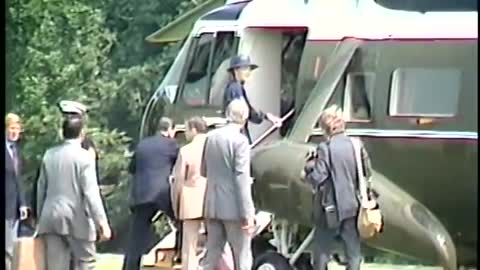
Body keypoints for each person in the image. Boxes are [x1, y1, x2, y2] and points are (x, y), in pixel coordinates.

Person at [301, 105, 372, 270]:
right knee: (353, 252)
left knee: (322, 253)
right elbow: (366, 172)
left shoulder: (325, 148)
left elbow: (319, 177)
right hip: (352, 205)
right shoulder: (356, 145)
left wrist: (306, 174)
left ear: (325, 128)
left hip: (329, 209)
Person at [36, 116, 112, 270]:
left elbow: (41, 188)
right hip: (77, 219)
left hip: (51, 217)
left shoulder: (49, 155)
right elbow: (91, 193)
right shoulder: (85, 157)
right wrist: (102, 223)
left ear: (62, 133)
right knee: (86, 262)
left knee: (55, 266)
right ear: (82, 133)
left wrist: (40, 216)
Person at [201, 99, 256, 270]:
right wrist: (248, 213)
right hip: (233, 207)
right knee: (242, 257)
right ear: (245, 118)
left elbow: (204, 171)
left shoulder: (210, 137)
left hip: (212, 203)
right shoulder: (240, 141)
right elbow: (241, 178)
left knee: (211, 255)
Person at [123, 117, 179, 270]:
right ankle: (180, 255)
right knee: (182, 222)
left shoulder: (143, 145)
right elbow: (181, 166)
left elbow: (132, 168)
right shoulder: (171, 145)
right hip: (163, 193)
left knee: (136, 236)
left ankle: (130, 267)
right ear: (170, 130)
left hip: (141, 193)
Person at [171, 116, 208, 270]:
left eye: (186, 129)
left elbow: (178, 181)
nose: (185, 133)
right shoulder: (215, 148)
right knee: (217, 243)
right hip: (212, 199)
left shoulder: (186, 151)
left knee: (189, 246)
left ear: (193, 129)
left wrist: (175, 204)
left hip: (191, 201)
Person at [223, 54, 282, 143]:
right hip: (238, 135)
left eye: (249, 69)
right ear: (235, 71)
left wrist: (266, 116)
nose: (248, 72)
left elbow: (249, 112)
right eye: (244, 68)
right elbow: (243, 112)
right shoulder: (235, 88)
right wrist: (265, 116)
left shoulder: (236, 87)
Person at [5, 113, 29, 270]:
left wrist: (23, 204)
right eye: (12, 128)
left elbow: (19, 179)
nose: (15, 132)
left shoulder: (16, 151)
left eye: (17, 129)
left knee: (12, 247)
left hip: (14, 208)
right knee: (7, 248)